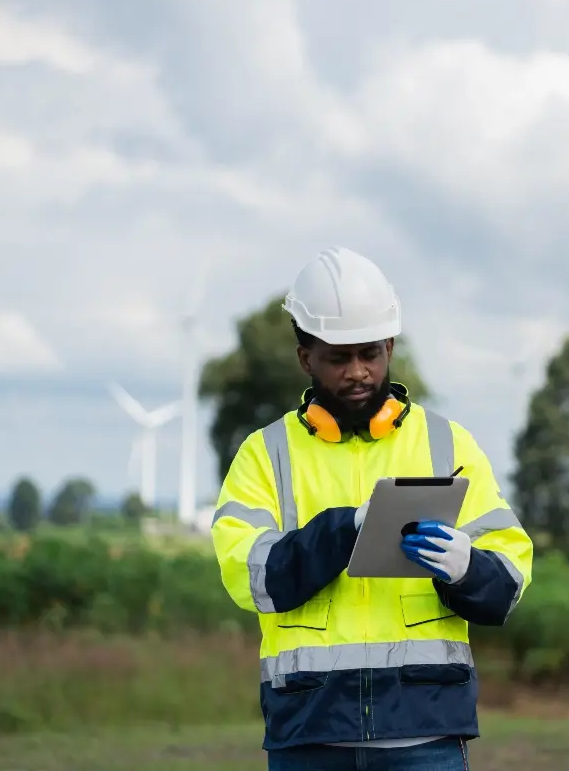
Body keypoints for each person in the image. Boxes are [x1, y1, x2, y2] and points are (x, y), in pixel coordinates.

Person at [210, 246, 533, 770]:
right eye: (339, 357)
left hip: (425, 733)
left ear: (389, 347)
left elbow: (508, 586)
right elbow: (252, 580)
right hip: (310, 731)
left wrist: (468, 568)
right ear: (305, 358)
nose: (358, 372)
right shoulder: (264, 455)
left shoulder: (449, 445)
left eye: (371, 354)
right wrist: (345, 529)